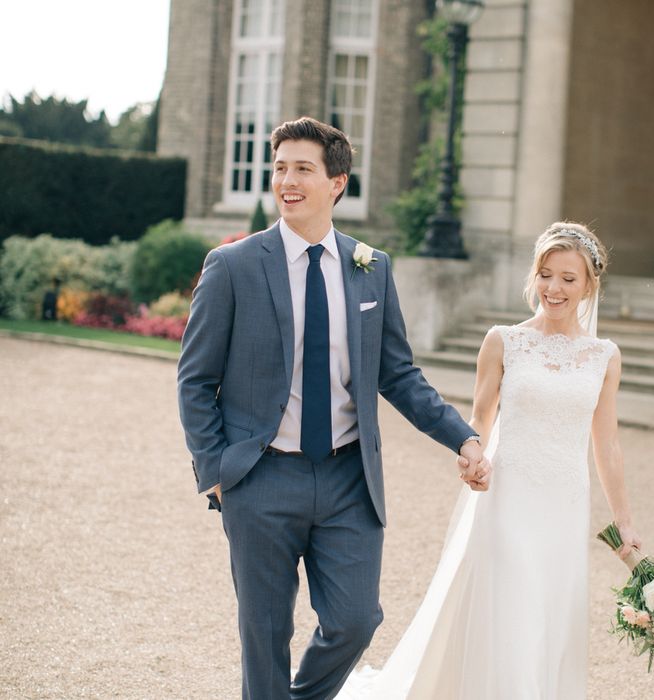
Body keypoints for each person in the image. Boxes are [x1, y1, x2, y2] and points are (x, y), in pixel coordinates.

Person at [176, 116, 490, 700]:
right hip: (261, 476)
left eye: (303, 169)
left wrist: (464, 438)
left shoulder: (371, 266)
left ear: (337, 182)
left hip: (349, 478)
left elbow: (398, 374)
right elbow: (195, 380)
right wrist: (217, 472)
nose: (287, 181)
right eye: (279, 169)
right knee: (264, 634)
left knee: (355, 620)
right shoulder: (234, 267)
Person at [340, 222, 642, 699]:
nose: (554, 288)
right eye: (546, 274)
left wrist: (624, 523)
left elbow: (606, 445)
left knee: (550, 613)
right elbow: (479, 423)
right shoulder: (503, 341)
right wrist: (472, 460)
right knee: (512, 607)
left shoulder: (604, 356)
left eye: (568, 278)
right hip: (508, 496)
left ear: (589, 285)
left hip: (565, 503)